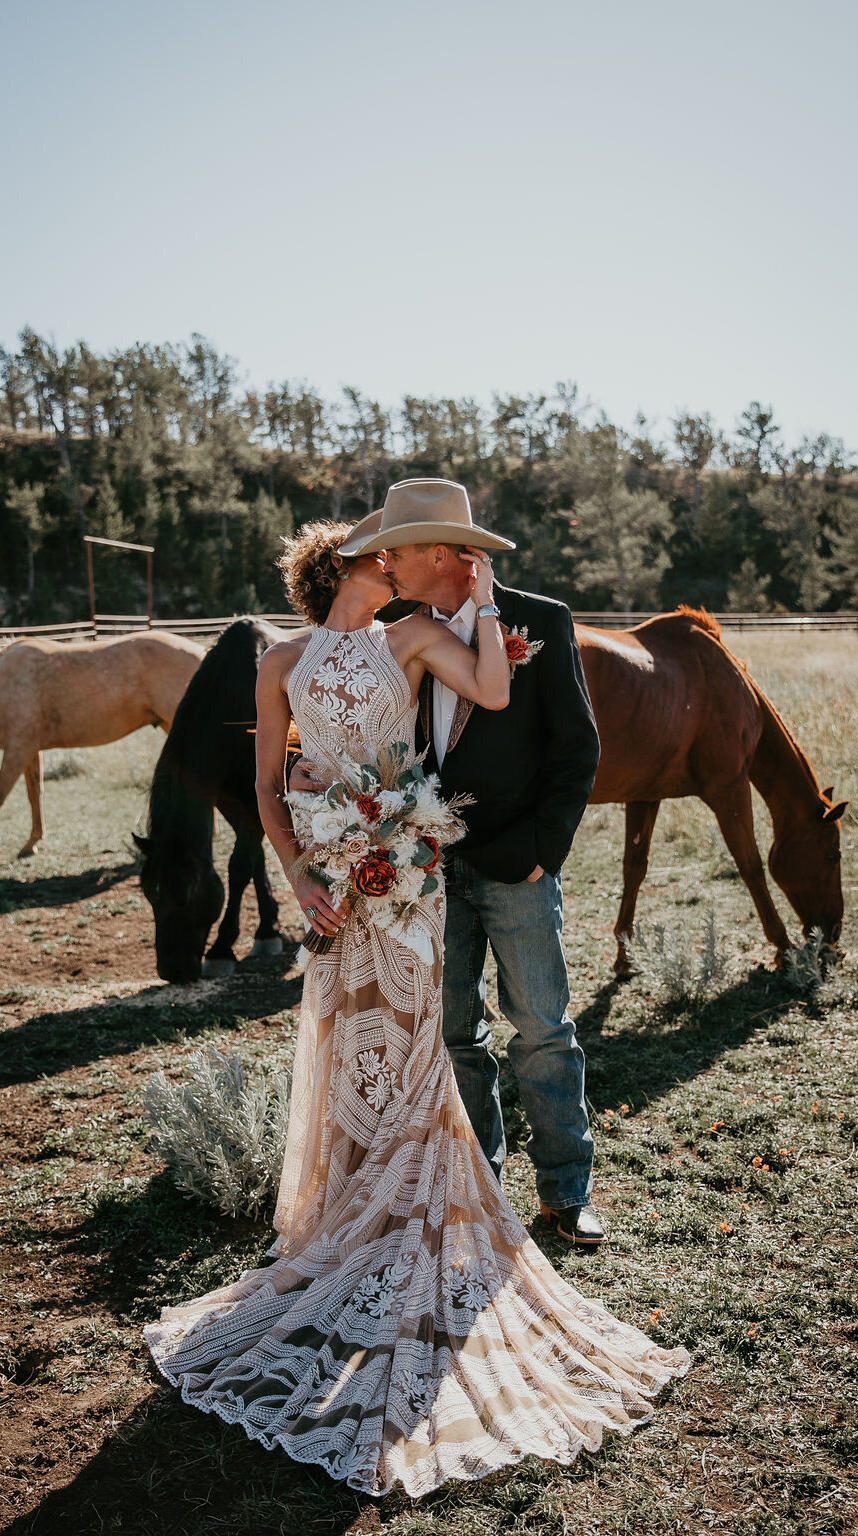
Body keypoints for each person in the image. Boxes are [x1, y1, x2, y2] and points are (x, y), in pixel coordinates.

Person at [143, 499, 688, 1499]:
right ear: (366, 561)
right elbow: (268, 784)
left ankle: (518, 1195)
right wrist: (299, 869)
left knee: (477, 1032)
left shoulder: (424, 633)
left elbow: (496, 689)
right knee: (367, 1039)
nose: (406, 566)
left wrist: (481, 610)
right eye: (390, 556)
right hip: (341, 880)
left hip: (414, 873)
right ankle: (353, 1214)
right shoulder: (279, 661)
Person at [335, 477, 604, 1247]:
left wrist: (539, 857)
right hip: (430, 871)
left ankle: (567, 1191)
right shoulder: (402, 629)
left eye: (397, 550)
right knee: (455, 1032)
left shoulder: (540, 622)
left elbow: (576, 750)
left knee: (542, 1029)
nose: (386, 563)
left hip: (517, 869)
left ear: (446, 554)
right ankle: (481, 1182)